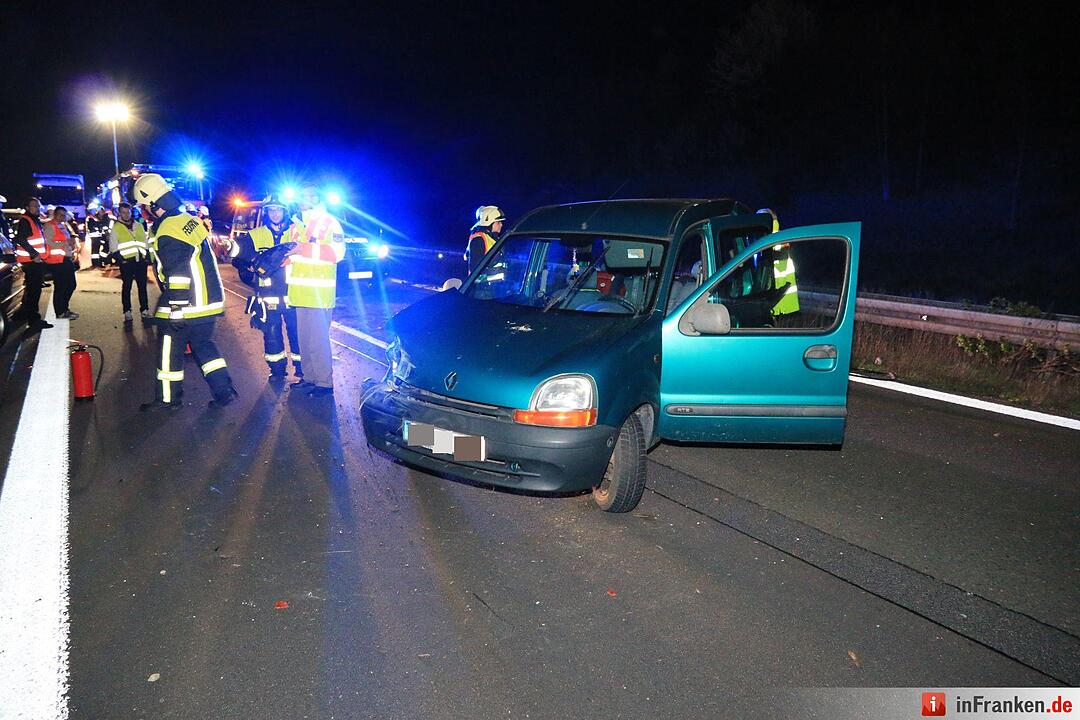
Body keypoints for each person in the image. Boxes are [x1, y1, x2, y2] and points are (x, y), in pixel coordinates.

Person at [132, 173, 238, 411]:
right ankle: (224, 391)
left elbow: (177, 272)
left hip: (186, 302)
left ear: (153, 204)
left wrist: (177, 308)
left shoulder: (168, 229)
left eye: (144, 206)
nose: (143, 211)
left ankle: (168, 400)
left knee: (169, 350)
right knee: (204, 346)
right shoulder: (187, 219)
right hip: (208, 300)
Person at [231, 194, 305, 381]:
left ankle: (302, 369)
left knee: (297, 333)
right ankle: (277, 371)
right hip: (267, 296)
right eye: (271, 210)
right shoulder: (255, 235)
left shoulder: (295, 233)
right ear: (266, 213)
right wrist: (248, 269)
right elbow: (237, 258)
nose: (275, 213)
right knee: (271, 334)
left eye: (278, 210)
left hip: (294, 294)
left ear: (285, 212)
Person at [287, 184, 345, 397]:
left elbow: (337, 253)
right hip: (299, 293)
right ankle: (309, 378)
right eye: (301, 196)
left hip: (319, 294)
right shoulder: (296, 225)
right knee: (304, 340)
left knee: (318, 342)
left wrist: (303, 249)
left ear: (317, 198)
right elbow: (292, 255)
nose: (303, 199)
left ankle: (324, 383)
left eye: (308, 196)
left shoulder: (329, 222)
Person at [12, 197, 53, 331]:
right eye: (34, 206)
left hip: (34, 261)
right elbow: (21, 239)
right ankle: (34, 320)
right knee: (34, 291)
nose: (37, 208)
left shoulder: (33, 219)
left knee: (31, 290)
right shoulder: (26, 220)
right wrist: (34, 254)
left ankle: (23, 314)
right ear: (28, 208)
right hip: (31, 261)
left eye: (38, 206)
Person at [108, 202, 151, 321]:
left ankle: (145, 310)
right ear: (119, 213)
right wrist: (121, 260)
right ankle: (127, 311)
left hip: (140, 261)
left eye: (128, 212)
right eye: (123, 212)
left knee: (142, 287)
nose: (126, 215)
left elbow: (145, 242)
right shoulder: (116, 227)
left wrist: (146, 257)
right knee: (127, 287)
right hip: (127, 262)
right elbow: (113, 246)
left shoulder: (138, 225)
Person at [42, 206, 79, 319]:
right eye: (60, 215)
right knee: (61, 287)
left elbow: (65, 240)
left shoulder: (63, 225)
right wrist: (66, 242)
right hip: (57, 261)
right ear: (55, 214)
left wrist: (71, 246)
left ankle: (64, 309)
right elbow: (48, 242)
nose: (62, 217)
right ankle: (60, 311)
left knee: (71, 285)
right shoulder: (49, 225)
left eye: (64, 215)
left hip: (65, 258)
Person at [466, 205, 505, 273]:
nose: (501, 225)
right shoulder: (479, 240)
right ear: (490, 223)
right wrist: (496, 271)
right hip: (482, 280)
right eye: (498, 222)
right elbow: (475, 269)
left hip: (498, 280)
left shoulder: (493, 239)